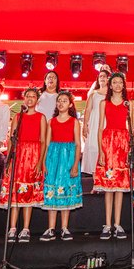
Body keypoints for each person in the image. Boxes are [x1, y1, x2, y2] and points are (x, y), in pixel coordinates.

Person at [0, 88, 47, 243]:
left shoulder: (41, 117)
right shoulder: (18, 117)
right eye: (28, 96)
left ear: (37, 100)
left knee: (29, 192)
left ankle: (26, 228)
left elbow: (44, 141)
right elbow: (12, 139)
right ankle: (12, 227)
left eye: (33, 96)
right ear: (24, 99)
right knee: (15, 192)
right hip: (18, 156)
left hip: (33, 155)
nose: (30, 99)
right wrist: (9, 159)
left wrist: (41, 162)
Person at [40, 91, 83, 241]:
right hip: (53, 158)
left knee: (66, 191)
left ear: (70, 104)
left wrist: (76, 164)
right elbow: (45, 143)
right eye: (59, 100)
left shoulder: (74, 121)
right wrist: (43, 162)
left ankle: (64, 228)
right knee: (52, 190)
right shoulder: (51, 121)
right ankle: (51, 228)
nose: (61, 103)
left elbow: (78, 144)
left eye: (64, 101)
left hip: (68, 158)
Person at [93, 72, 131, 240]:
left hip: (123, 143)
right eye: (114, 82)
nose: (116, 85)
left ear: (123, 85)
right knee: (109, 186)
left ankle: (118, 223)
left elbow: (130, 128)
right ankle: (107, 224)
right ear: (110, 85)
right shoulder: (103, 103)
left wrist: (130, 150)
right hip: (108, 143)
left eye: (119, 82)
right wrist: (101, 150)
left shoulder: (128, 104)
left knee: (120, 187)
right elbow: (100, 127)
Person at [83, 68, 111, 175]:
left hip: (107, 122)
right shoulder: (93, 94)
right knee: (93, 146)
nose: (102, 78)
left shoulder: (112, 94)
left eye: (104, 76)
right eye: (100, 76)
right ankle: (94, 176)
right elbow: (88, 110)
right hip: (94, 122)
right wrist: (85, 125)